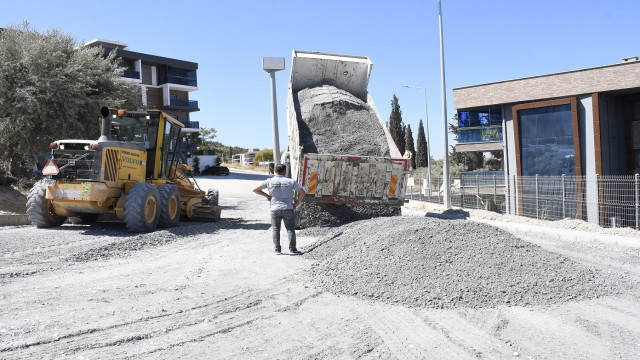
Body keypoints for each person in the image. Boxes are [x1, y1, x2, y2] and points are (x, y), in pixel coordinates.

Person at [253, 164, 305, 255]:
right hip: (288, 208)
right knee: (290, 229)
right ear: (285, 171)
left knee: (276, 229)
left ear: (274, 171)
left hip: (275, 209)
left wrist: (267, 196)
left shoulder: (269, 181)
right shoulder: (290, 181)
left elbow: (255, 189)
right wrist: (297, 203)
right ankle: (293, 250)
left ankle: (277, 250)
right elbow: (302, 192)